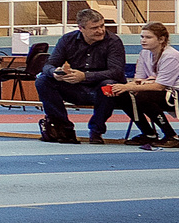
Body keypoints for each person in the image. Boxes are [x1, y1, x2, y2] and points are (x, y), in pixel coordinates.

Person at [39, 9, 127, 143]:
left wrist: (85, 76)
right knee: (43, 80)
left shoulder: (113, 42)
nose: (100, 30)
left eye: (102, 26)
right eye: (94, 28)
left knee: (108, 85)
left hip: (103, 89)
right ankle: (64, 128)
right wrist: (55, 72)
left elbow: (116, 71)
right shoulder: (67, 40)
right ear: (81, 28)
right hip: (75, 87)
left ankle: (96, 131)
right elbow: (48, 65)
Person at [108, 21, 178, 145]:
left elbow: (159, 86)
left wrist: (128, 86)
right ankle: (148, 133)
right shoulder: (144, 53)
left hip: (174, 94)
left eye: (148, 37)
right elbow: (138, 79)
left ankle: (171, 135)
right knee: (123, 96)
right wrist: (130, 87)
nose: (143, 40)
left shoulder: (171, 56)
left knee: (143, 97)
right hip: (160, 91)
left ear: (161, 39)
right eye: (142, 37)